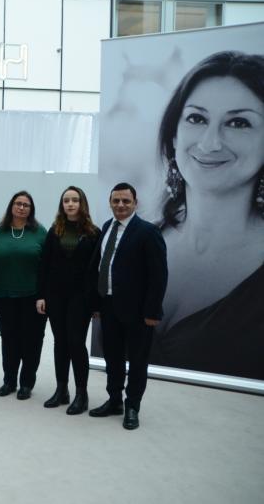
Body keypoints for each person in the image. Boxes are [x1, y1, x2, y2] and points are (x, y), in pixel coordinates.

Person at [151, 51, 264, 380]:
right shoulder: (140, 238)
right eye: (197, 119)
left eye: (238, 123)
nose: (210, 143)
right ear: (174, 135)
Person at [89, 183, 167, 430]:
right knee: (112, 357)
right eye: (116, 201)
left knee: (137, 360)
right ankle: (114, 401)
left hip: (139, 312)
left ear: (135, 203)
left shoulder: (148, 232)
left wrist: (152, 311)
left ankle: (132, 405)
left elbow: (158, 275)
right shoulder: (106, 228)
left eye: (126, 201)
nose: (120, 205)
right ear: (110, 202)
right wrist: (97, 303)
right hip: (109, 305)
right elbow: (101, 266)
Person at [36, 186, 100, 414]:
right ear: (62, 205)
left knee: (75, 343)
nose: (70, 204)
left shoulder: (94, 232)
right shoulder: (55, 231)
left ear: (82, 204)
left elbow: (96, 271)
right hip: (55, 296)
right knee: (60, 343)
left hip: (80, 298)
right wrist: (41, 295)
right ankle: (61, 390)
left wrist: (95, 303)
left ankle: (81, 393)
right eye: (66, 200)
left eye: (75, 200)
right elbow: (44, 265)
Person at [0, 191, 47, 400]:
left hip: (33, 298)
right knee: (9, 339)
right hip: (3, 296)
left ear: (31, 210)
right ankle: (9, 381)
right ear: (11, 207)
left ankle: (26, 383)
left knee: (31, 341)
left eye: (26, 205)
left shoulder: (40, 233)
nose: (21, 207)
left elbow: (47, 268)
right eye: (18, 203)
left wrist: (44, 295)